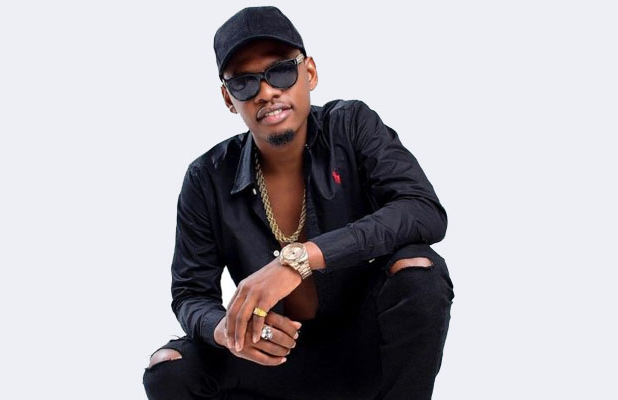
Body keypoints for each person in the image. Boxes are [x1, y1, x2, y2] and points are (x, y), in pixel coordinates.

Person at [142, 6, 454, 400]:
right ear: (228, 98)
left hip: (366, 351)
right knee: (168, 368)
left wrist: (301, 259)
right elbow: (190, 292)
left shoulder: (352, 126)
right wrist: (226, 330)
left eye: (280, 71)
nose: (266, 92)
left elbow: (421, 209)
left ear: (309, 73)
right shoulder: (207, 177)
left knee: (418, 271)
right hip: (275, 360)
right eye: (244, 82)